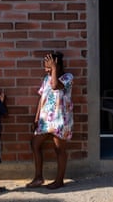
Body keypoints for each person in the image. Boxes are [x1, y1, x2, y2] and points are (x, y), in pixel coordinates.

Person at [27, 51, 74, 190]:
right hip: (45, 120)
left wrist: (54, 68)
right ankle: (38, 177)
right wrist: (36, 118)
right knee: (35, 143)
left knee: (59, 150)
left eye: (49, 66)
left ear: (56, 65)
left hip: (60, 120)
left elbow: (55, 86)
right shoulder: (46, 78)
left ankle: (59, 180)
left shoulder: (68, 78)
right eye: (46, 66)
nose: (46, 69)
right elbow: (42, 98)